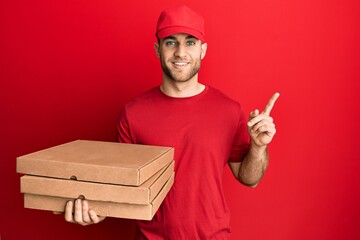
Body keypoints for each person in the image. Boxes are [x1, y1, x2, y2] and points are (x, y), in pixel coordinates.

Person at [63, 5, 280, 239]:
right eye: (171, 42)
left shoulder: (230, 110)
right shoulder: (132, 114)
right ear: (158, 49)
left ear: (203, 50)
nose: (180, 53)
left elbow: (250, 179)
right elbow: (122, 190)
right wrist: (95, 211)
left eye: (190, 42)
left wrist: (258, 147)